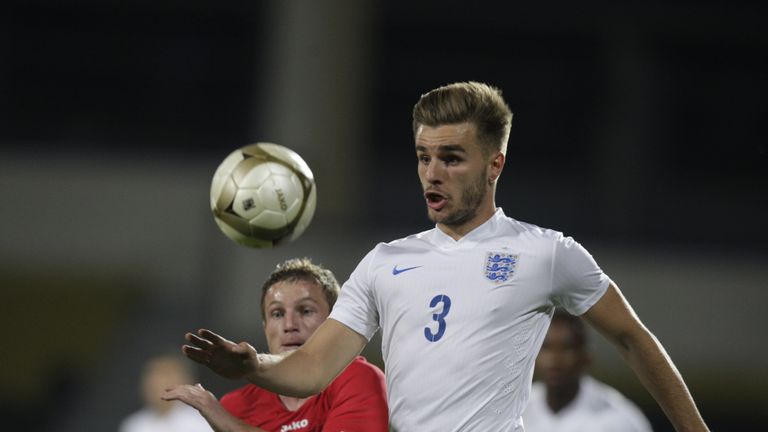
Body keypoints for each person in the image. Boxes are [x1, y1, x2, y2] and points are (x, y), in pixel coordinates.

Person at [179, 81, 709, 432]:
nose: (432, 173)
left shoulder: (545, 252)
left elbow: (632, 337)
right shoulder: (385, 262)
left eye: (452, 158)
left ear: (495, 164)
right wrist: (253, 365)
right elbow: (313, 369)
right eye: (423, 157)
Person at [162, 258, 388, 432]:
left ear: (335, 322)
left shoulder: (359, 378)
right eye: (277, 314)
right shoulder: (237, 406)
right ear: (265, 327)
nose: (289, 325)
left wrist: (230, 425)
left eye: (306, 310)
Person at [522, 309, 653, 432]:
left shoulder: (620, 419)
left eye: (566, 348)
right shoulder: (517, 410)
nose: (554, 359)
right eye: (546, 347)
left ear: (585, 357)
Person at [118, 353, 212, 432]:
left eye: (166, 374)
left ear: (186, 380)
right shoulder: (134, 425)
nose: (157, 382)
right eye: (152, 375)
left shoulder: (202, 424)